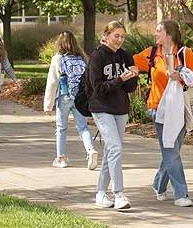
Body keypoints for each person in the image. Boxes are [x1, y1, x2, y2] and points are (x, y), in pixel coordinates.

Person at [133, 20, 193, 207]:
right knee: (171, 150)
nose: (155, 34)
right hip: (158, 109)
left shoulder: (185, 53)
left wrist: (180, 76)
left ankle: (158, 183)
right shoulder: (152, 53)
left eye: (158, 31)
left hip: (179, 108)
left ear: (169, 34)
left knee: (171, 150)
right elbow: (129, 62)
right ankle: (181, 194)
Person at [89, 21, 138, 210]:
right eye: (116, 36)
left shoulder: (125, 56)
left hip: (120, 108)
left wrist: (132, 76)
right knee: (115, 148)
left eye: (123, 37)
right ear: (107, 35)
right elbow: (98, 88)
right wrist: (120, 79)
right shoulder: (97, 57)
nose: (119, 40)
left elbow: (130, 88)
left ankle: (101, 193)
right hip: (101, 107)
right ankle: (119, 194)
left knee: (111, 150)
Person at [43, 31, 98, 170]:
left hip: (64, 97)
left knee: (61, 128)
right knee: (83, 127)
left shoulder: (58, 59)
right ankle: (90, 150)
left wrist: (48, 105)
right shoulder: (82, 58)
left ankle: (61, 158)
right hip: (79, 98)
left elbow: (52, 82)